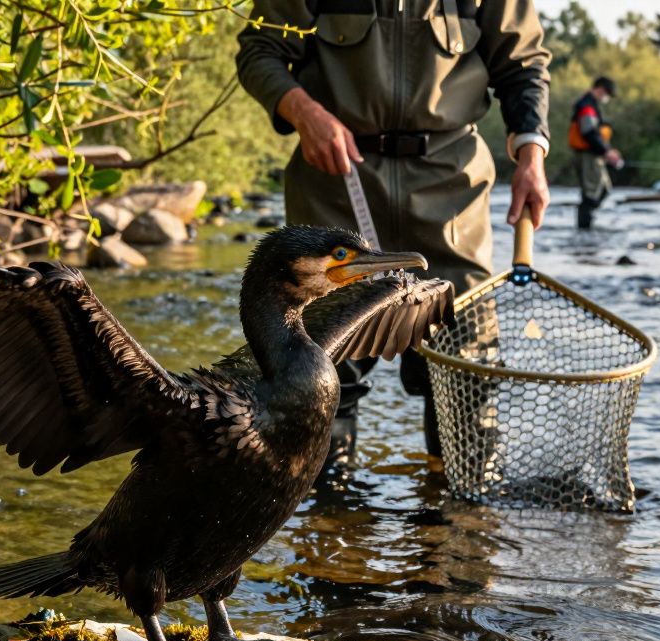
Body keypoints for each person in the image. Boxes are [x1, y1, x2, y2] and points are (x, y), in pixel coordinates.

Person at [235, 0, 552, 468]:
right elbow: (258, 51)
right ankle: (329, 524)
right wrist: (304, 113)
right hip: (334, 186)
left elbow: (523, 66)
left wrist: (531, 155)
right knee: (318, 378)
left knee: (466, 377)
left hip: (453, 191)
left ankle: (457, 530)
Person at [569, 76, 623, 230]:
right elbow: (589, 132)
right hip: (588, 156)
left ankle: (587, 227)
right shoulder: (587, 106)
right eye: (608, 94)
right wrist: (606, 152)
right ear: (600, 89)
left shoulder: (591, 105)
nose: (607, 98)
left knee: (604, 190)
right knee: (591, 194)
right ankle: (584, 231)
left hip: (594, 155)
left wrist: (607, 151)